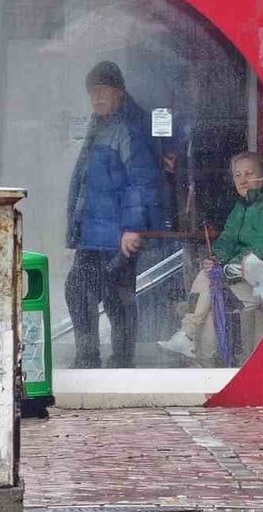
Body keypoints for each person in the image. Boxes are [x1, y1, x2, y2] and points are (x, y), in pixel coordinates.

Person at [64, 61, 161, 369]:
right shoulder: (98, 126)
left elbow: (141, 180)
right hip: (93, 236)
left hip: (117, 235)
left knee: (117, 300)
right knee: (79, 293)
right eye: (92, 91)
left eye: (102, 90)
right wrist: (75, 234)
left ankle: (119, 362)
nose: (96, 97)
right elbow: (84, 185)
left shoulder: (128, 127)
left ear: (119, 92)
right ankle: (89, 359)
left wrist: (133, 227)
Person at [158, 152, 263, 362]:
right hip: (242, 275)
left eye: (249, 173)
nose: (242, 180)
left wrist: (227, 266)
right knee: (208, 284)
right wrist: (215, 258)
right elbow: (227, 239)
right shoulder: (242, 204)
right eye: (237, 175)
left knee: (211, 288)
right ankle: (193, 344)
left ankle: (192, 343)